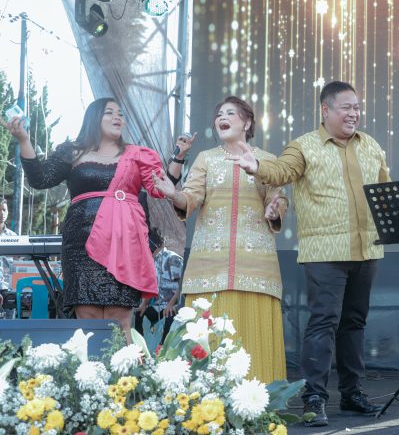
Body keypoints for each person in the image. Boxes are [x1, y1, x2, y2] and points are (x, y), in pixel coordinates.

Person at [238, 81, 389, 427]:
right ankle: (314, 398)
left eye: (357, 107)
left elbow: (383, 190)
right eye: (346, 107)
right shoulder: (303, 146)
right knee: (323, 322)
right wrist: (256, 166)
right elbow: (282, 171)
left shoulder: (371, 146)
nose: (353, 114)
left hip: (367, 248)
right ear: (326, 110)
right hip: (325, 251)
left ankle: (352, 393)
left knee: (354, 323)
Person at [2, 98, 165, 341]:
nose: (117, 117)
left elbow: (160, 187)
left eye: (120, 113)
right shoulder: (73, 151)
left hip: (122, 244)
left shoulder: (135, 155)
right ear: (94, 118)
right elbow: (40, 179)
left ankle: (125, 367)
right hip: (82, 244)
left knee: (119, 319)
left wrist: (178, 162)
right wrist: (24, 140)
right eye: (109, 112)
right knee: (87, 316)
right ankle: (87, 367)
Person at [153, 96, 288, 383]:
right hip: (208, 269)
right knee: (207, 341)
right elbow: (190, 198)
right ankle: (207, 403)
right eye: (219, 114)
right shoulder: (206, 159)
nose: (222, 118)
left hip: (256, 269)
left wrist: (274, 209)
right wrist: (174, 194)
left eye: (230, 113)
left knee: (253, 341)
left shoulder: (268, 160)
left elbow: (278, 198)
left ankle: (257, 400)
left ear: (247, 123)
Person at [133, 227, 183, 342]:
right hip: (157, 306)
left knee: (169, 317)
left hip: (171, 306)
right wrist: (144, 304)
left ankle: (163, 348)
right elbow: (151, 286)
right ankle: (141, 348)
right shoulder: (152, 261)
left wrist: (171, 304)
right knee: (139, 315)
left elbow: (181, 285)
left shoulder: (172, 258)